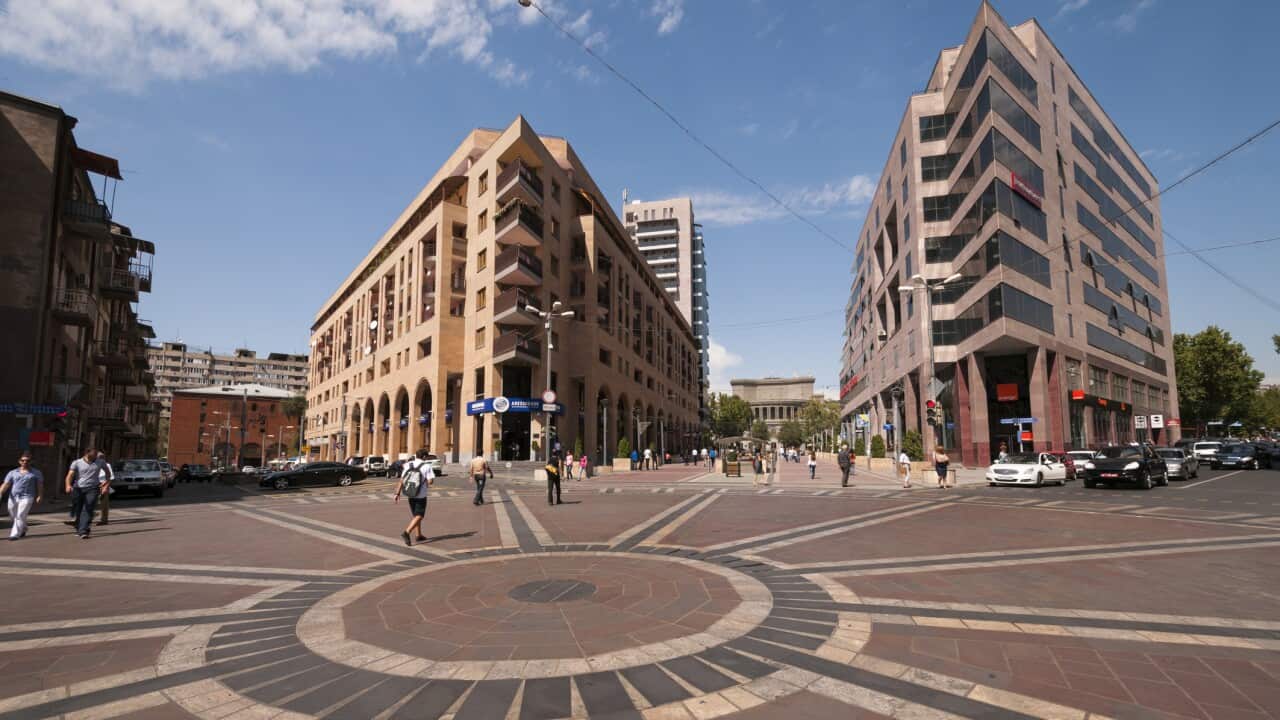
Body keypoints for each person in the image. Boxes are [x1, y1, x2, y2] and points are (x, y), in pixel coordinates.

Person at [65, 447, 109, 539]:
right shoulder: (77, 462)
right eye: (93, 455)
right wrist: (68, 485)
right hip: (78, 488)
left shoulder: (100, 462)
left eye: (96, 455)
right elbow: (70, 475)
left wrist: (106, 483)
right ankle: (80, 527)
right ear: (86, 453)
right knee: (78, 509)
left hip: (93, 488)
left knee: (88, 507)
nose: (95, 457)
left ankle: (83, 530)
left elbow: (107, 472)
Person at [394, 450, 434, 546]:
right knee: (419, 515)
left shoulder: (408, 465)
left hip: (410, 493)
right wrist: (424, 484)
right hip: (421, 495)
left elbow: (402, 480)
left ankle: (418, 535)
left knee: (415, 515)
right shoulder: (426, 466)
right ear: (424, 457)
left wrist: (397, 493)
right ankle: (406, 532)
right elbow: (431, 481)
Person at [3, 452, 42, 540]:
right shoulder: (12, 472)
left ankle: (15, 534)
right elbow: (6, 484)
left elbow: (40, 485)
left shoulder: (36, 473)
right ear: (19, 461)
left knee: (20, 515)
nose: (25, 462)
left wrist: (40, 495)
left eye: (27, 460)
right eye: (23, 460)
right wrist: (0, 493)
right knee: (12, 514)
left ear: (31, 462)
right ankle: (23, 528)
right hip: (13, 497)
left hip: (27, 497)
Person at [95, 452, 114, 526]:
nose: (99, 458)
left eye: (101, 457)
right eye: (98, 457)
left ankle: (104, 519)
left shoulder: (107, 465)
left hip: (103, 485)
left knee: (104, 504)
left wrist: (105, 486)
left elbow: (111, 477)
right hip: (93, 484)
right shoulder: (93, 464)